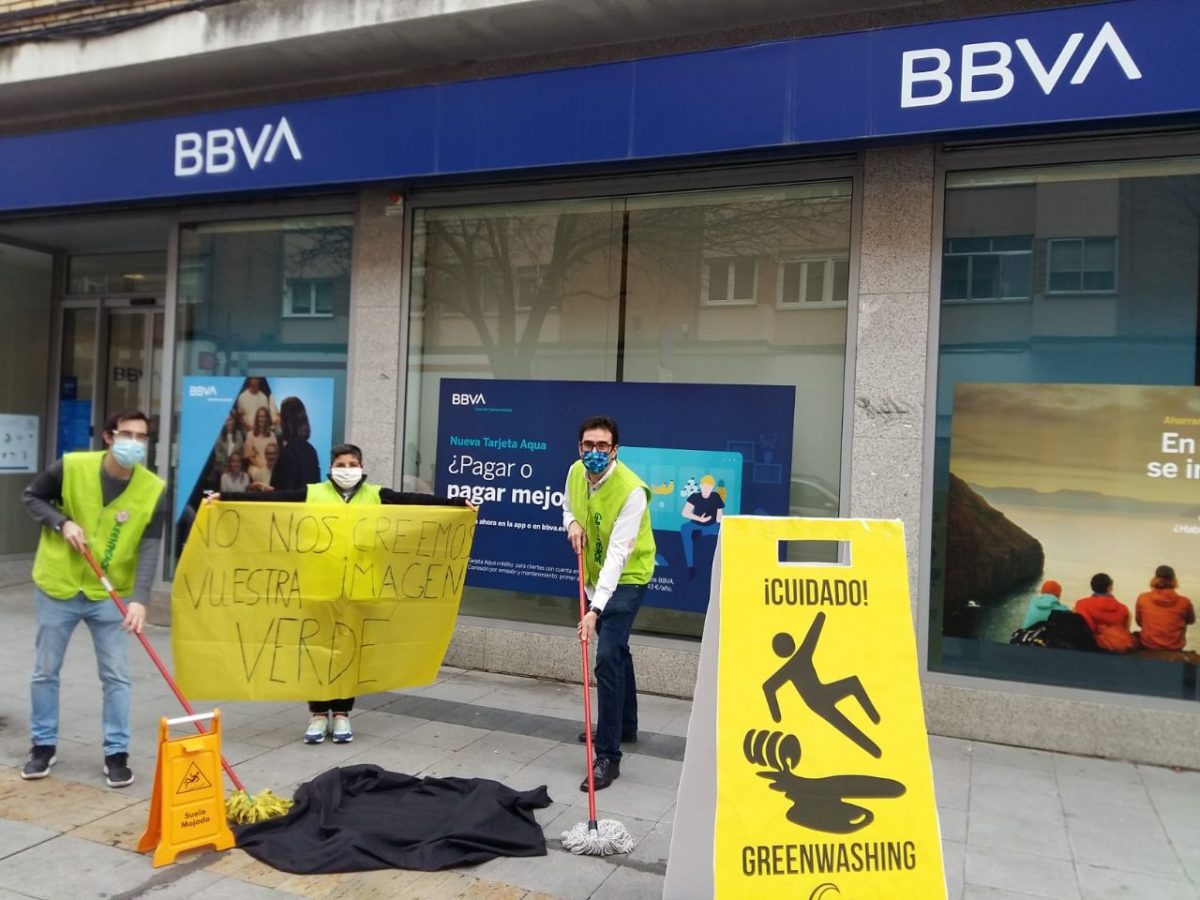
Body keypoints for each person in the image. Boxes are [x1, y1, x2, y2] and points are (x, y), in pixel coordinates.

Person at [211, 442, 473, 744]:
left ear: (361, 468)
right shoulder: (312, 494)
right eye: (341, 465)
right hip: (318, 588)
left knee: (349, 654)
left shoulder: (377, 496)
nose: (346, 470)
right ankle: (318, 715)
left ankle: (342, 715)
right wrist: (224, 499)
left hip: (358, 590)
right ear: (330, 468)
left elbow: (414, 502)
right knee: (317, 653)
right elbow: (274, 501)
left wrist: (456, 503)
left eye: (352, 465)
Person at [20, 410, 166, 788]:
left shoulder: (153, 488)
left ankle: (117, 754)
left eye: (141, 437)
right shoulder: (71, 466)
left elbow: (150, 548)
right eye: (126, 434)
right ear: (108, 436)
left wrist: (140, 599)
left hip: (109, 592)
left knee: (117, 675)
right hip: (59, 584)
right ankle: (43, 746)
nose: (134, 443)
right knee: (45, 671)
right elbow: (32, 497)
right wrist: (61, 521)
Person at [563, 415, 656, 791]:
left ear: (615, 450)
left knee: (606, 656)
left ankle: (607, 755)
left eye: (603, 446)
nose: (595, 452)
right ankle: (627, 726)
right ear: (580, 447)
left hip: (628, 576)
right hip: (596, 576)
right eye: (589, 445)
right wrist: (571, 524)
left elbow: (619, 554)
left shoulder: (632, 489)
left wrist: (594, 610)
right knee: (617, 653)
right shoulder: (574, 472)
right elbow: (568, 506)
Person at [1135, 565, 1195, 652]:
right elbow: (1191, 621)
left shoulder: (1143, 598)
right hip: (1174, 647)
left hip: (1148, 645)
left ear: (1154, 579)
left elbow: (1139, 622)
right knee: (1184, 618)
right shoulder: (1184, 602)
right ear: (1174, 580)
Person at [1074, 573, 1138, 653]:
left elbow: (1088, 627)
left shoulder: (1082, 604)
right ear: (1110, 588)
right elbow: (1125, 627)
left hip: (1095, 645)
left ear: (1092, 587)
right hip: (1121, 644)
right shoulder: (1123, 608)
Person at [269, 396, 321, 491]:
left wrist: (266, 492)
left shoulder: (288, 453)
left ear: (286, 421)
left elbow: (285, 494)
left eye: (281, 416)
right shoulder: (311, 450)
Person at [680, 474, 724, 578]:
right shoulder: (695, 496)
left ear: (712, 487)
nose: (706, 489)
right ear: (701, 485)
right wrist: (700, 519)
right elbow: (685, 512)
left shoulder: (716, 497)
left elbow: (719, 518)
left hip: (711, 526)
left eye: (709, 487)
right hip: (695, 524)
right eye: (704, 486)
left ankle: (715, 565)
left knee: (721, 530)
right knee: (685, 528)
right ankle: (690, 566)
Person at [244, 407, 278, 486]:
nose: (261, 419)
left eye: (263, 417)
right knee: (262, 473)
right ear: (256, 418)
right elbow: (248, 456)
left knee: (270, 472)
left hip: (270, 464)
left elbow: (276, 452)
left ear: (267, 419)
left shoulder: (272, 435)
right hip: (256, 466)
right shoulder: (250, 435)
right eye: (259, 417)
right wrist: (260, 465)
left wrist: (268, 465)